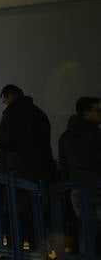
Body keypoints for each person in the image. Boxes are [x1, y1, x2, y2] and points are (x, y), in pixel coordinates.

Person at [57, 96, 101, 255]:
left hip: (76, 188)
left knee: (86, 231)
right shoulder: (96, 135)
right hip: (97, 187)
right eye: (97, 110)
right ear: (86, 113)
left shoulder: (65, 137)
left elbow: (64, 165)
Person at [0, 84, 55, 184]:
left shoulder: (12, 113)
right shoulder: (38, 112)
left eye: (4, 98)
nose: (4, 102)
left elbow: (6, 138)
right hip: (43, 166)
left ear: (10, 96)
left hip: (19, 169)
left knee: (21, 198)